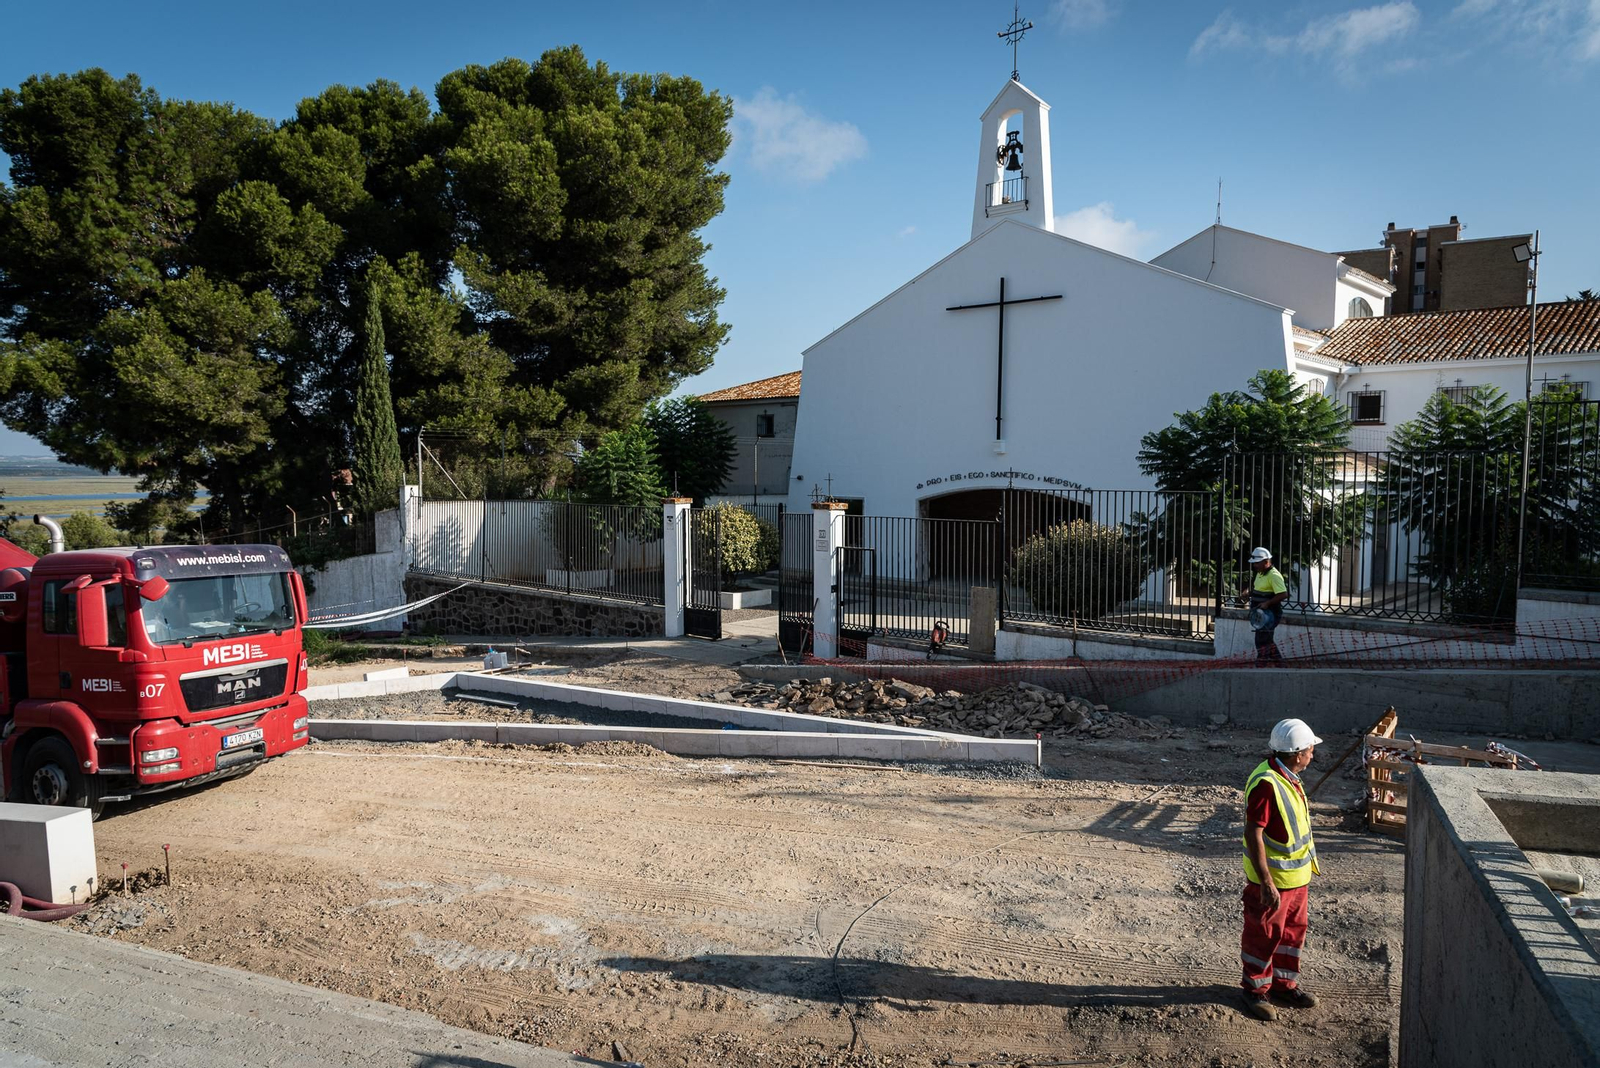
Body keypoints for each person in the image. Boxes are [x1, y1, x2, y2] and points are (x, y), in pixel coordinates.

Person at [1239, 717, 1323, 1021]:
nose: (1313, 754)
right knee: (1263, 935)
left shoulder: (1287, 776)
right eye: (1310, 749)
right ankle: (1255, 991)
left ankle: (1284, 985)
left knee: (1291, 934)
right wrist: (1265, 882)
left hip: (1297, 879)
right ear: (1297, 753)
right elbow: (1254, 833)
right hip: (1273, 882)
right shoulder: (1266, 783)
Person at [1242, 547, 1288, 662]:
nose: (1255, 566)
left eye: (1257, 563)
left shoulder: (1274, 576)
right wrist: (1249, 594)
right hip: (1260, 614)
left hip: (1270, 614)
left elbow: (1283, 594)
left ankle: (1262, 663)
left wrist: (1268, 603)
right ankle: (1278, 662)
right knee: (1265, 639)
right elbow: (1260, 590)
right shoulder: (1260, 573)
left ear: (1266, 562)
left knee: (1263, 640)